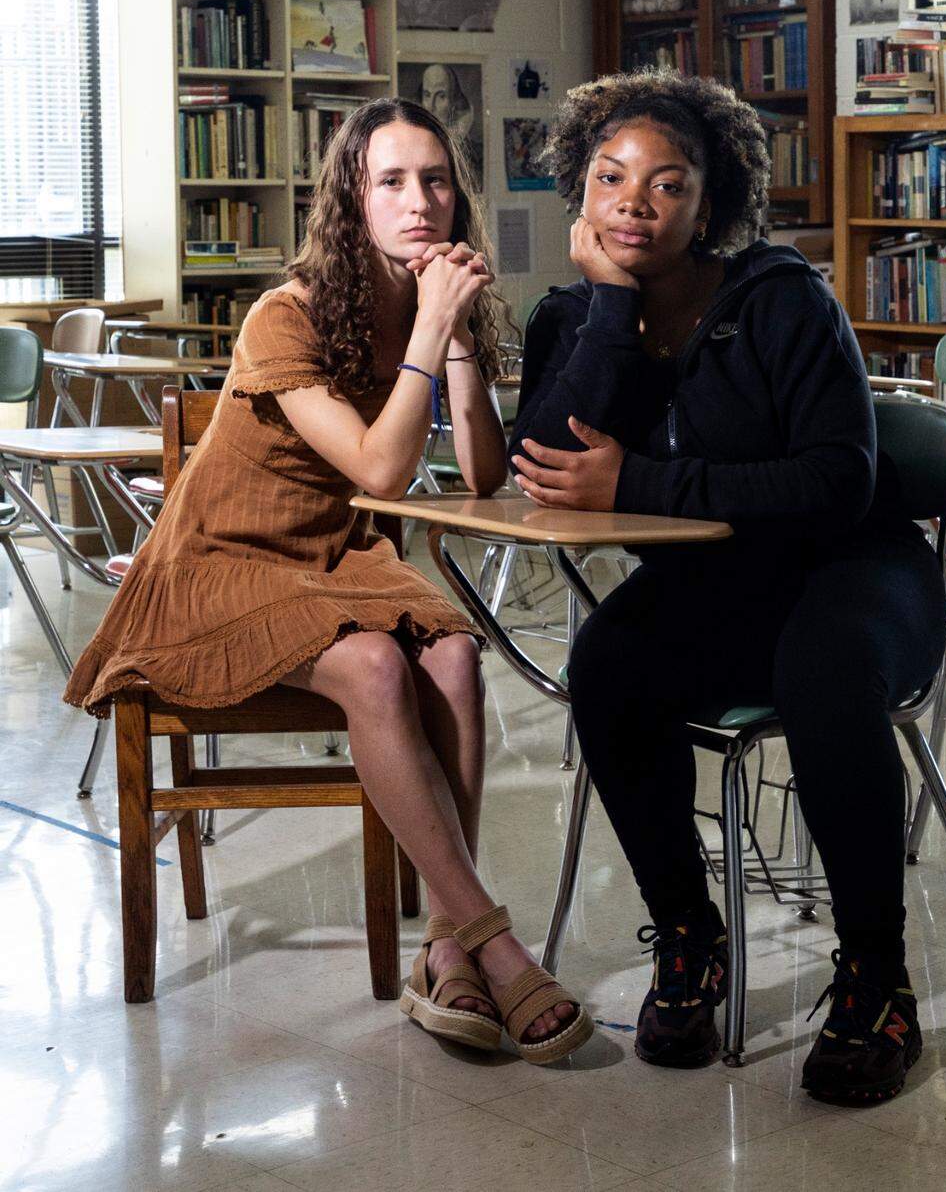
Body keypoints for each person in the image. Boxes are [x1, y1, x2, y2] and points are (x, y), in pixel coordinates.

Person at [64, 97, 592, 1067]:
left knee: (457, 661)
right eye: (391, 181)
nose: (420, 200)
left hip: (337, 558)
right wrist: (431, 336)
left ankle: (442, 946)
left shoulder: (425, 305)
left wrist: (459, 334)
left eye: (435, 180)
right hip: (224, 558)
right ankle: (491, 942)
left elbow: (480, 475)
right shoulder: (286, 314)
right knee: (378, 673)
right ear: (352, 198)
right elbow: (382, 472)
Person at [508, 71, 946, 1100]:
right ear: (579, 186)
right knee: (608, 661)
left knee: (824, 668)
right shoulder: (571, 317)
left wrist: (640, 478)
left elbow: (842, 481)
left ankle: (877, 979)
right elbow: (540, 467)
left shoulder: (783, 299)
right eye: (612, 178)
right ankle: (689, 941)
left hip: (857, 570)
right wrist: (613, 312)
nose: (634, 202)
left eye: (668, 185)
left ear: (711, 205)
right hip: (724, 584)